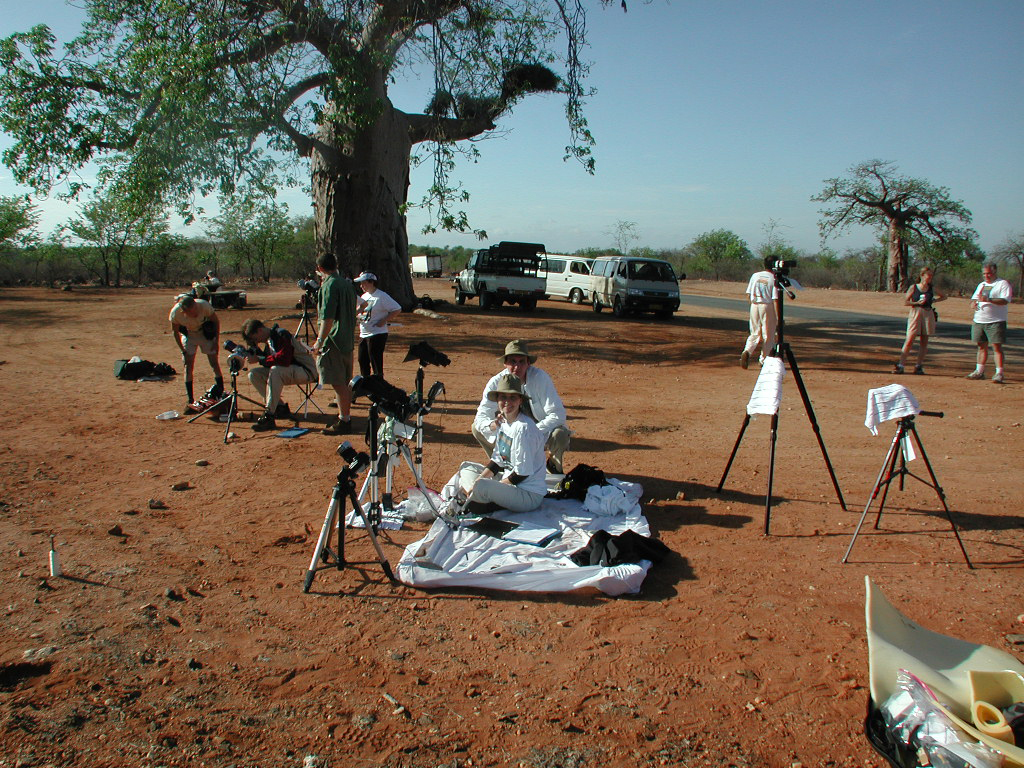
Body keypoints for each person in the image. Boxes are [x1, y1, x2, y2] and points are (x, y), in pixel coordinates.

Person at [472, 339, 570, 474]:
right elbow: (481, 416)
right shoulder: (495, 382)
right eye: (512, 361)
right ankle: (502, 464)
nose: (517, 367)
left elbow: (558, 414)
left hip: (538, 432)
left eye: (521, 361)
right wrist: (493, 425)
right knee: (477, 428)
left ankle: (553, 466)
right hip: (508, 434)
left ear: (528, 363)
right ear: (505, 363)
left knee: (561, 433)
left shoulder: (540, 378)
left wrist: (531, 432)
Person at [456, 374, 547, 515]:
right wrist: (478, 483)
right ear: (497, 399)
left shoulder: (524, 428)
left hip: (528, 494)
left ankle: (479, 500)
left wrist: (492, 486)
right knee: (467, 467)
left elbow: (521, 474)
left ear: (520, 400)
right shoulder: (503, 422)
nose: (507, 402)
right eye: (503, 397)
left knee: (482, 486)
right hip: (510, 482)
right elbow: (498, 461)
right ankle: (475, 496)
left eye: (512, 398)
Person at [240, 318, 318, 432]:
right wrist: (256, 352)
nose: (257, 341)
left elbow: (284, 359)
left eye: (255, 338)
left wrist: (260, 359)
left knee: (276, 370)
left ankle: (269, 415)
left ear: (260, 330)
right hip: (290, 370)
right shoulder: (270, 340)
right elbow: (271, 362)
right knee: (254, 374)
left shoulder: (281, 334)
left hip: (306, 370)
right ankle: (279, 408)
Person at [311, 252, 357, 434]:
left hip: (334, 341)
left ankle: (344, 420)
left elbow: (327, 318)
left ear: (320, 269)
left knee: (338, 382)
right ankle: (344, 416)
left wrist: (319, 341)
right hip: (347, 340)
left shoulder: (329, 285)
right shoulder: (347, 284)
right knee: (344, 382)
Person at [169, 294, 224, 412]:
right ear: (184, 311)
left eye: (195, 311)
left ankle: (221, 394)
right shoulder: (176, 313)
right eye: (190, 313)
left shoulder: (204, 305)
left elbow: (216, 322)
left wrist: (216, 341)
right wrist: (182, 350)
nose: (194, 314)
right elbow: (175, 332)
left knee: (214, 363)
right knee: (188, 366)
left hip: (205, 333)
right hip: (189, 335)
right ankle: (190, 400)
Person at [893, 267, 946, 375]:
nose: (930, 278)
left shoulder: (932, 288)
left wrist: (933, 300)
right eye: (928, 275)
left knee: (924, 341)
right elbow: (906, 302)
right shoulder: (914, 287)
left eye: (931, 276)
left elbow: (944, 296)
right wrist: (917, 303)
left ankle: (918, 366)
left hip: (928, 313)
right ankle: (901, 365)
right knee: (910, 339)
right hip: (916, 313)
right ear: (922, 276)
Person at [967, 262, 1013, 383]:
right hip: (979, 320)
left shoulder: (1002, 284)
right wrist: (973, 303)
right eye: (984, 274)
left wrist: (989, 300)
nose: (986, 276)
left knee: (997, 346)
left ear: (994, 272)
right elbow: (974, 298)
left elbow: (1005, 300)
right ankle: (979, 371)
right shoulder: (981, 285)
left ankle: (999, 373)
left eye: (989, 273)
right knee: (981, 346)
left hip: (996, 321)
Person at [354, 271, 402, 378]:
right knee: (362, 359)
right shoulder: (364, 296)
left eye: (364, 283)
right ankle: (366, 384)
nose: (361, 286)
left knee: (375, 359)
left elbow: (397, 309)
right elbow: (361, 310)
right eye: (360, 283)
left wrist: (384, 320)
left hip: (377, 333)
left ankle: (379, 384)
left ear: (371, 282)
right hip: (364, 333)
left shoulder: (381, 296)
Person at [741, 257, 779, 369]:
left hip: (754, 305)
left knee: (754, 332)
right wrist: (778, 317)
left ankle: (747, 351)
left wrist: (754, 305)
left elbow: (748, 294)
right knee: (768, 334)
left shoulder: (755, 275)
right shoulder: (774, 278)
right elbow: (775, 299)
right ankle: (763, 359)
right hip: (767, 305)